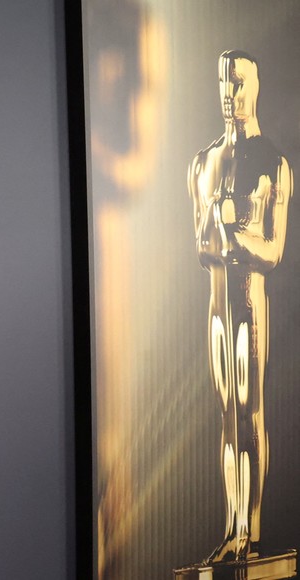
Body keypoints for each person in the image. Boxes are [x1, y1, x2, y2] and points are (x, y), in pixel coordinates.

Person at [188, 51, 292, 563]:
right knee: (226, 414)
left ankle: (249, 532)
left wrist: (231, 232)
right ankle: (231, 528)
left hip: (249, 299)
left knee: (250, 411)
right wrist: (224, 234)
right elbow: (200, 246)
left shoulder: (272, 160)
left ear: (256, 86)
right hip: (216, 303)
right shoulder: (203, 162)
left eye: (239, 81)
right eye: (223, 81)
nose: (230, 92)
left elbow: (273, 250)